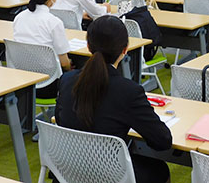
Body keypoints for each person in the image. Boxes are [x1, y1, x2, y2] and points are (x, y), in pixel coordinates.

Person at [56, 15, 172, 183]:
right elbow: (163, 141)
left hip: (70, 170)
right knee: (159, 169)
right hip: (111, 175)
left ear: (88, 46)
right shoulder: (129, 92)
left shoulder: (67, 80)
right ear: (125, 50)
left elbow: (60, 120)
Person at [13, 0, 71, 97]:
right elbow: (64, 63)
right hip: (49, 85)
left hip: (23, 82)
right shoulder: (54, 22)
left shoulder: (19, 18)